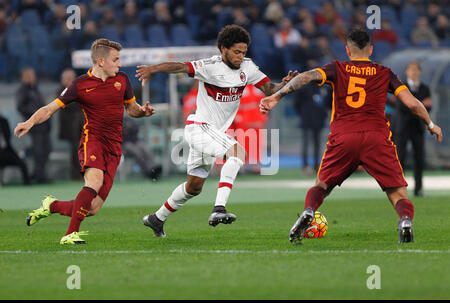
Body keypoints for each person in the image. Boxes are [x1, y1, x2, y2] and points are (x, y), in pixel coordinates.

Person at [259, 28, 442, 244]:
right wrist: (430, 124)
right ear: (371, 49)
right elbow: (412, 103)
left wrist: (276, 97)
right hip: (376, 138)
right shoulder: (385, 73)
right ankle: (404, 220)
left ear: (347, 50)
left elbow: (306, 77)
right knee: (398, 193)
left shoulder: (337, 68)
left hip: (343, 137)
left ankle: (309, 210)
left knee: (321, 186)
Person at [136, 24, 297, 237]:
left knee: (194, 187)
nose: (240, 56)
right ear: (223, 49)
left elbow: (269, 89)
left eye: (243, 52)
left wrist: (284, 86)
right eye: (236, 52)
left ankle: (156, 219)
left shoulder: (247, 68)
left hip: (213, 134)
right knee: (238, 152)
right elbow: (179, 67)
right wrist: (153, 69)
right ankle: (219, 209)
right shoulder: (209, 66)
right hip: (200, 128)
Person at [14, 38, 155, 245]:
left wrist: (142, 112)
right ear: (100, 62)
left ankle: (51, 206)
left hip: (115, 146)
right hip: (93, 141)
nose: (119, 64)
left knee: (92, 208)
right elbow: (49, 109)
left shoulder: (122, 80)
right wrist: (30, 121)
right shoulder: (80, 85)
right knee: (94, 182)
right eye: (115, 60)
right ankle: (70, 234)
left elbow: (131, 108)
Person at [393, 61, 432, 197]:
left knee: (419, 158)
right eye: (411, 70)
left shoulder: (425, 88)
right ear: (407, 72)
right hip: (402, 127)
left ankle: (418, 189)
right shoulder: (401, 86)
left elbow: (429, 107)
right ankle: (399, 189)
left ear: (419, 72)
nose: (413, 72)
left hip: (418, 127)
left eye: (416, 70)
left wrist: (414, 105)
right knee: (400, 158)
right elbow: (402, 106)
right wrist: (420, 105)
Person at [16, 67, 51, 184]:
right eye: (28, 75)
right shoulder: (23, 91)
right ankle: (40, 176)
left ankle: (38, 173)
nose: (31, 77)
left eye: (32, 75)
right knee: (39, 151)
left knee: (46, 149)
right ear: (23, 77)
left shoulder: (35, 89)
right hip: (34, 126)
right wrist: (33, 116)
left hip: (43, 125)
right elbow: (20, 107)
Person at [56, 68, 84, 180]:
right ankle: (75, 174)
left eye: (71, 78)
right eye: (67, 78)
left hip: (79, 128)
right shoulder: (61, 91)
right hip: (70, 128)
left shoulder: (77, 89)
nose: (69, 80)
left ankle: (80, 173)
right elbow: (69, 105)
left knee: (79, 150)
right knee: (75, 151)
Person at [0, 115, 30, 185]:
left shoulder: (3, 121)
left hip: (7, 151)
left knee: (22, 164)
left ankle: (27, 183)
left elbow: (8, 136)